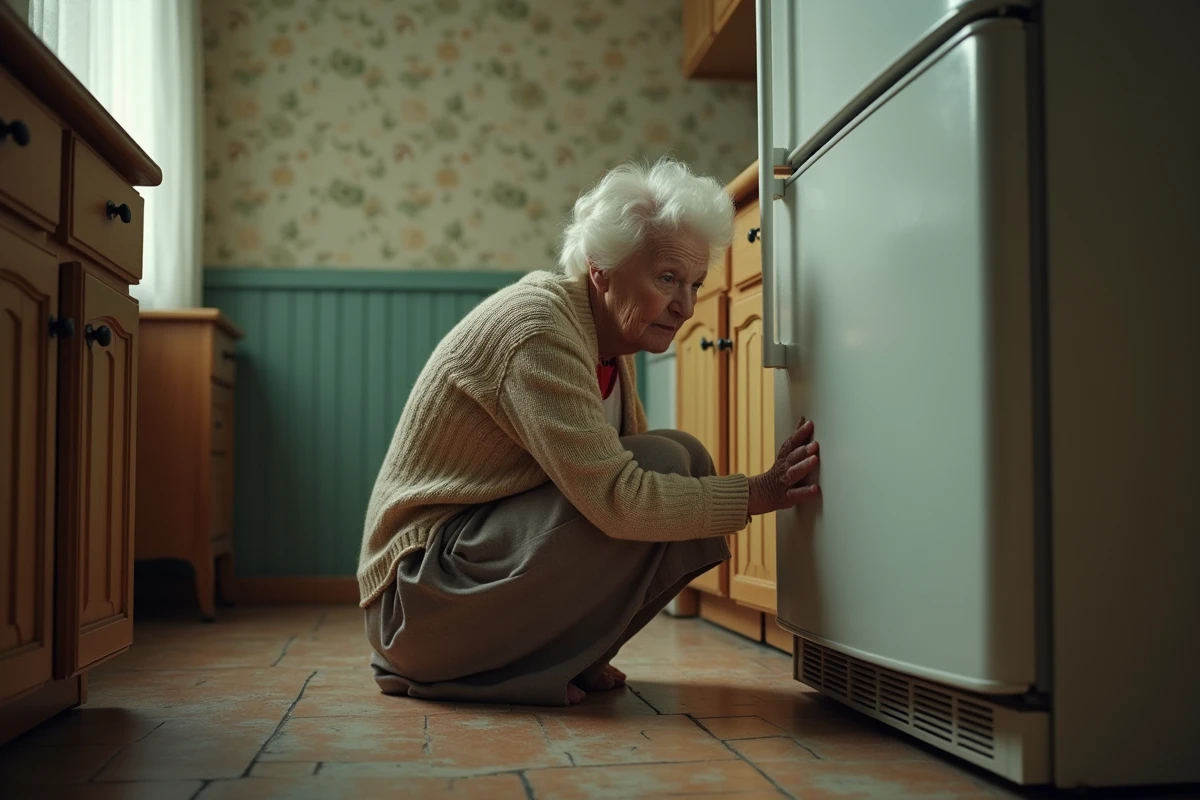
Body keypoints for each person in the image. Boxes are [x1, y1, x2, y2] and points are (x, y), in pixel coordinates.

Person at [359, 158, 821, 706]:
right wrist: (757, 492)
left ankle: (566, 659)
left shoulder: (606, 340)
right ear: (601, 269)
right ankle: (486, 673)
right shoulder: (537, 330)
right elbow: (618, 500)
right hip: (417, 606)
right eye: (667, 278)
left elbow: (629, 496)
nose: (686, 306)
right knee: (668, 467)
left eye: (695, 283)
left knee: (679, 456)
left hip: (467, 576)